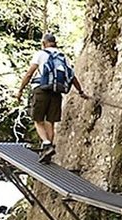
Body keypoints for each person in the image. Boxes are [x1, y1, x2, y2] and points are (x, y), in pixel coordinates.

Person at [15, 33, 87, 163]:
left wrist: (20, 90)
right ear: (55, 43)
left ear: (44, 43)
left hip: (41, 90)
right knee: (50, 122)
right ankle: (47, 151)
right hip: (56, 92)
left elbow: (30, 73)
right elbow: (72, 76)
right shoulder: (63, 57)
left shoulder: (41, 54)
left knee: (37, 119)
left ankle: (46, 143)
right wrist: (80, 91)